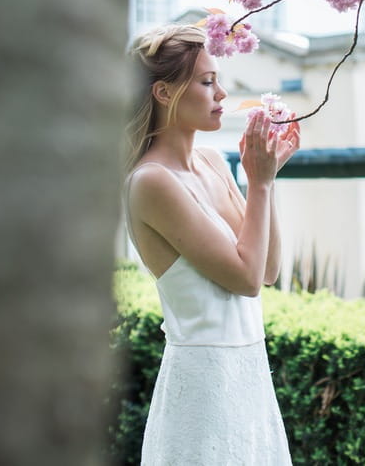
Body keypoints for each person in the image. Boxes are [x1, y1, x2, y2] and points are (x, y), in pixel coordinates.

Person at [123, 23, 300, 465]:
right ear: (164, 93)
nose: (222, 93)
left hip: (251, 377)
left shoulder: (213, 161)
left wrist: (268, 180)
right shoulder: (151, 183)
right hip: (203, 392)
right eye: (207, 81)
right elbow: (244, 280)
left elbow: (267, 270)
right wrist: (257, 184)